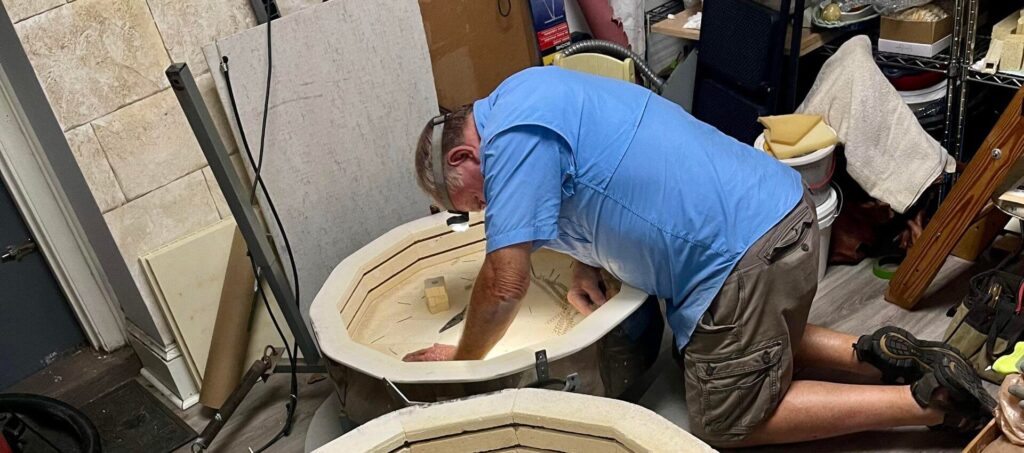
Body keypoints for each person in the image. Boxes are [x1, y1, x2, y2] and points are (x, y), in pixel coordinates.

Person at [403, 66, 993, 447]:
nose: (486, 209)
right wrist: (587, 258)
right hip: (778, 213)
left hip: (747, 257)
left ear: (462, 158)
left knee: (725, 419)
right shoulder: (528, 91)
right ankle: (887, 355)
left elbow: (504, 285)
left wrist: (463, 360)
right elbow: (597, 176)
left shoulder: (510, 139)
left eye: (476, 200)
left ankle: (926, 404)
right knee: (726, 348)